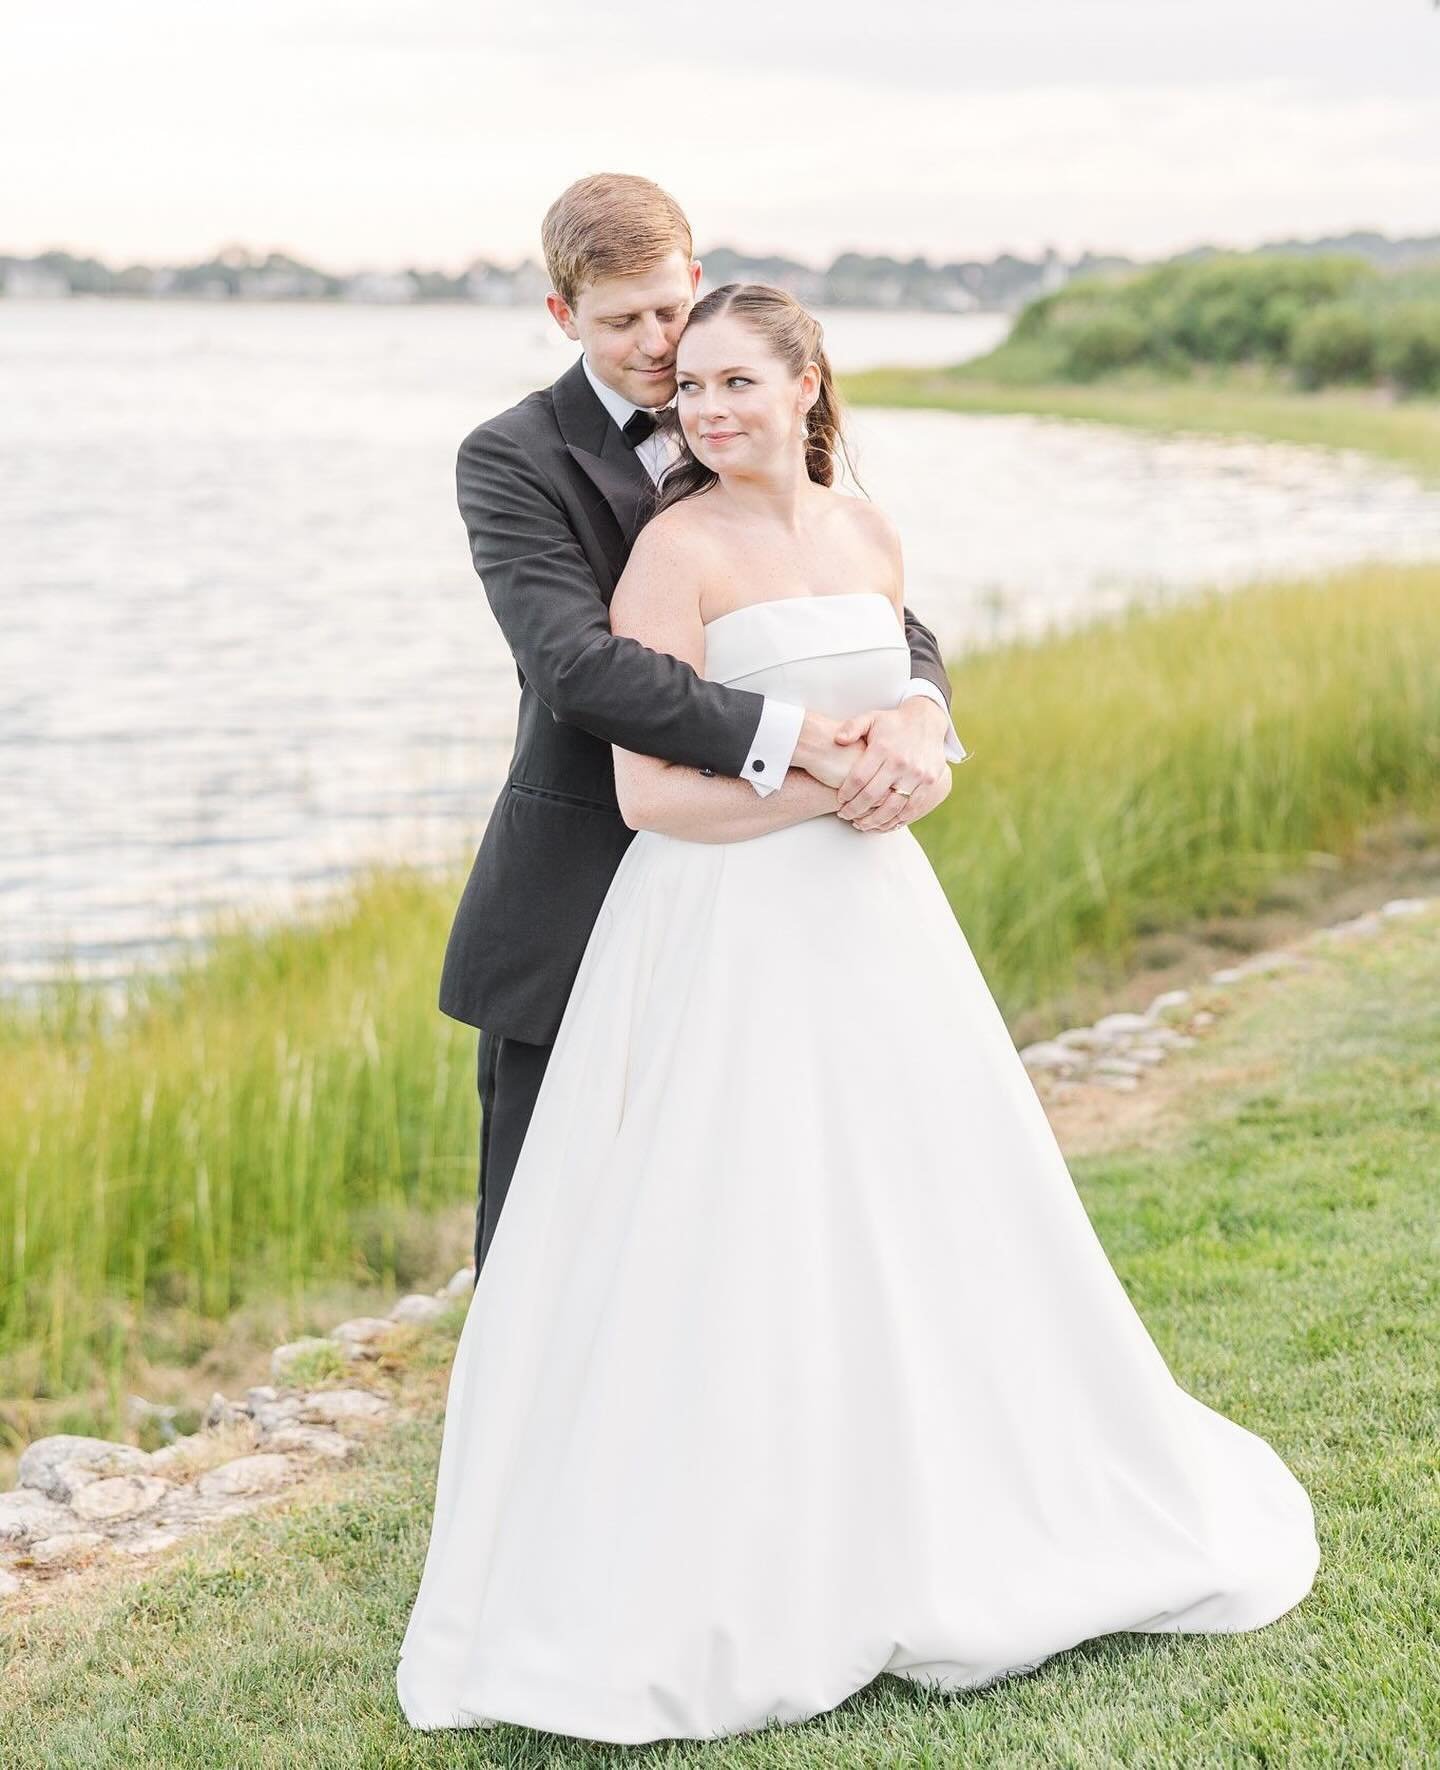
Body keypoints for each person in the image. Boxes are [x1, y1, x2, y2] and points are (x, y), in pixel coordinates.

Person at [394, 278, 1321, 1744]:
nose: (700, 406)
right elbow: (640, 785)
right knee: (731, 1223)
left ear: (806, 383)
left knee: (918, 1208)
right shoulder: (665, 547)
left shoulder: (870, 532)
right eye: (686, 384)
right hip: (721, 934)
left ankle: (939, 1498)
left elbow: (908, 684)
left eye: (729, 380)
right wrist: (836, 778)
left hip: (877, 932)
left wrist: (923, 748)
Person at [436, 172, 965, 1279]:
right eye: (621, 320)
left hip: (785, 904)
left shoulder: (743, 410)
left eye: (670, 309)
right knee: (549, 1235)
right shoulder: (513, 456)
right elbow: (575, 665)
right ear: (563, 316)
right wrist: (804, 741)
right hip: (584, 882)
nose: (656, 343)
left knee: (768, 1210)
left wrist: (920, 708)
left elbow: (851, 598)